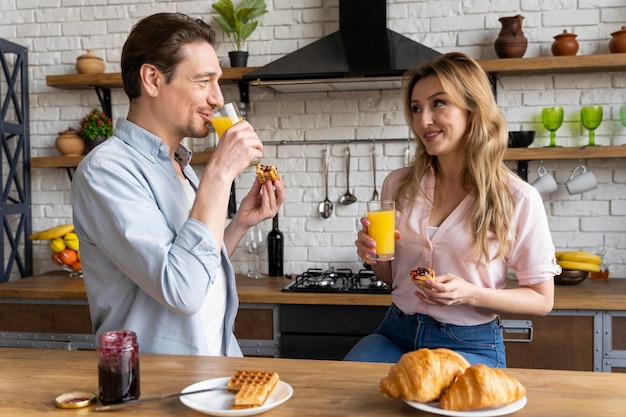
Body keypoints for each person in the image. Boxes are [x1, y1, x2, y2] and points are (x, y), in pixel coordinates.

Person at [71, 13, 285, 356]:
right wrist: (219, 174)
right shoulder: (106, 171)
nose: (217, 98)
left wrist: (239, 224)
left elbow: (196, 267)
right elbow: (182, 291)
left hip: (212, 368)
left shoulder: (181, 166)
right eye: (204, 81)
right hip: (161, 387)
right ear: (152, 79)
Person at [345, 52, 560, 367]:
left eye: (438, 103)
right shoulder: (399, 185)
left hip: (470, 343)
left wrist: (470, 294)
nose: (423, 121)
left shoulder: (517, 197)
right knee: (343, 399)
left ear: (473, 109)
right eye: (416, 108)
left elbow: (542, 300)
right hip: (396, 333)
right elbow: (392, 277)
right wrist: (374, 255)